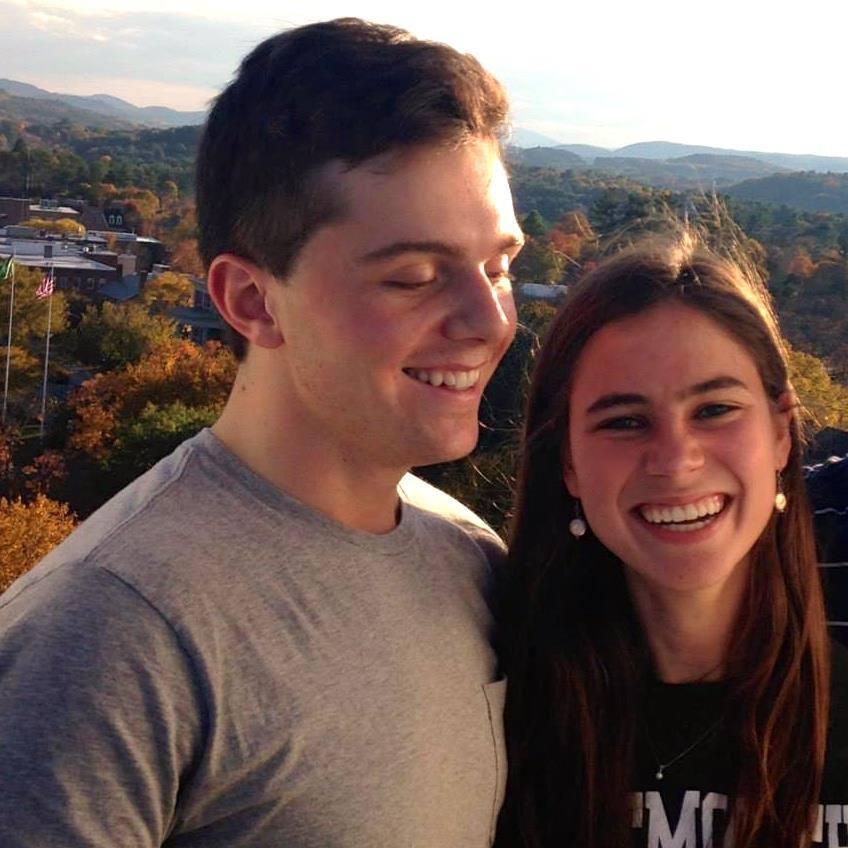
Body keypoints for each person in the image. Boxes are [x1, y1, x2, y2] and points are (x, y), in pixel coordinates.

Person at [0, 18, 524, 847]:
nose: (489, 321)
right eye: (414, 277)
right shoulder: (111, 638)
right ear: (250, 301)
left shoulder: (468, 556)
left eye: (500, 266)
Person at [495, 235, 848, 848]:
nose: (676, 461)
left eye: (714, 409)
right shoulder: (491, 714)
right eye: (624, 421)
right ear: (569, 466)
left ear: (782, 437)